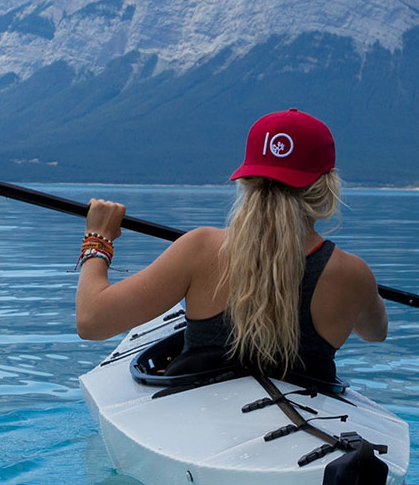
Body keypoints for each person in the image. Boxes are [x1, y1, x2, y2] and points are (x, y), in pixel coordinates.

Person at [75, 108, 387, 383]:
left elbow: (92, 321)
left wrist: (97, 239)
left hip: (199, 417)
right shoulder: (352, 274)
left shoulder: (201, 249)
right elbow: (376, 333)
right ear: (327, 188)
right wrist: (362, 292)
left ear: (246, 180)